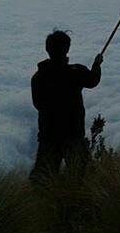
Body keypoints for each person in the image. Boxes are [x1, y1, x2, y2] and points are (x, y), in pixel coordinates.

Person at [29, 30, 103, 182]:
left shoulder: (38, 77)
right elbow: (93, 80)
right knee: (83, 177)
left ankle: (39, 204)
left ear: (47, 49)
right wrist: (97, 64)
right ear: (67, 49)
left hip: (48, 135)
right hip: (73, 134)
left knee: (42, 179)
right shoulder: (75, 72)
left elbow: (38, 104)